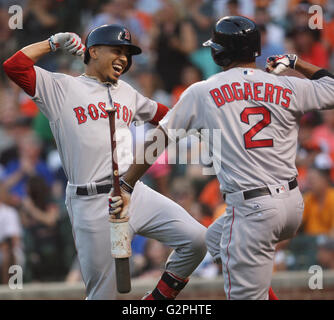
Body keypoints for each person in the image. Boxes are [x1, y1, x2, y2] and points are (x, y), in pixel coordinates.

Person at [111, 16, 334, 300]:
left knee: (243, 275)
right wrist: (296, 62)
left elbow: (158, 141)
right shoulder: (288, 85)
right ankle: (158, 301)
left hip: (253, 211)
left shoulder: (202, 91)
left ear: (220, 52)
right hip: (291, 205)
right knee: (215, 239)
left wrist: (127, 183)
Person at [3, 24, 207, 300]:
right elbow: (15, 67)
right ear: (93, 51)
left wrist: (203, 124)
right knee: (103, 295)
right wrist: (53, 42)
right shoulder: (62, 87)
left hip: (131, 191)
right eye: (117, 50)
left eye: (127, 53)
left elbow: (167, 116)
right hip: (91, 203)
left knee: (197, 240)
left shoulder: (127, 92)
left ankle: (157, 300)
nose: (123, 58)